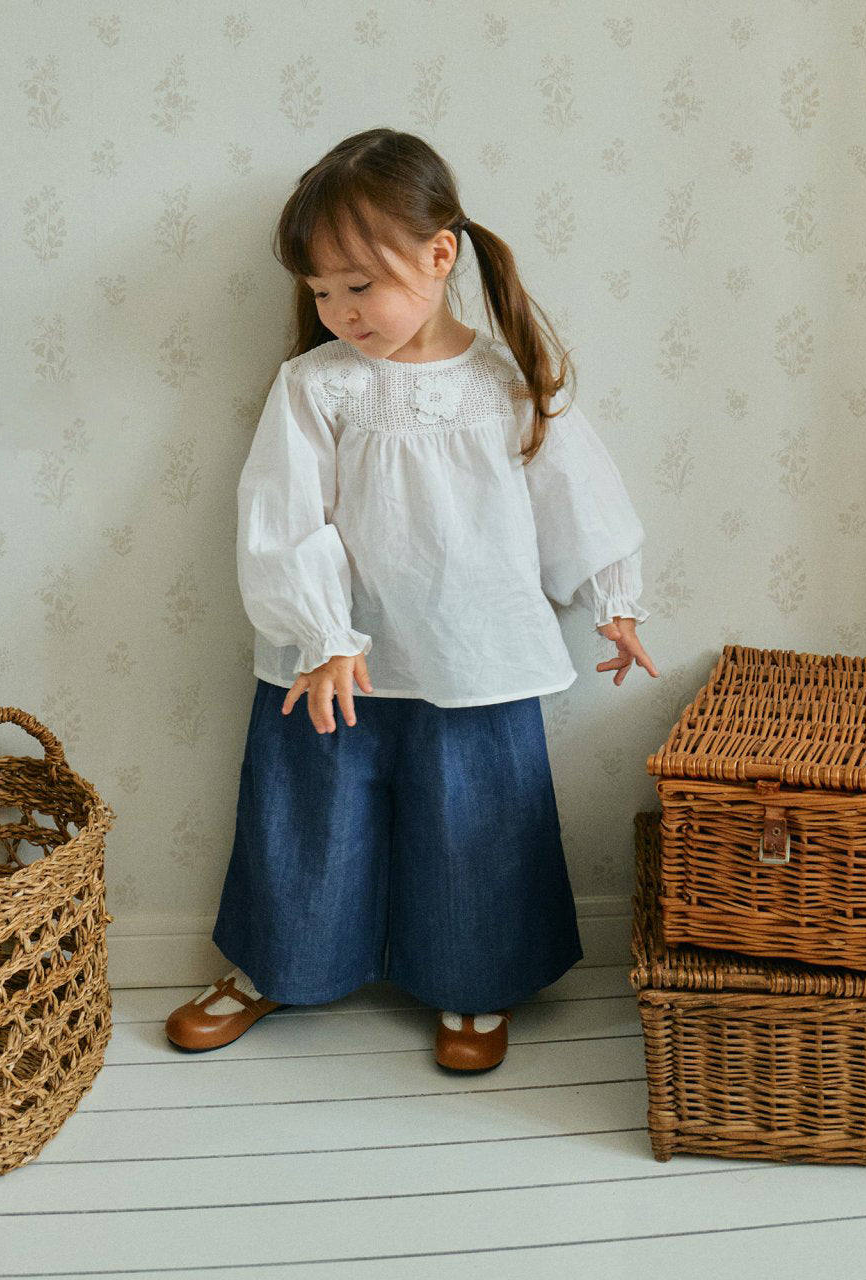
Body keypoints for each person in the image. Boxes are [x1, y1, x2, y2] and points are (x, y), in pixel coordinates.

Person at [165, 127, 659, 1072]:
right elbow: (281, 517)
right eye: (320, 291)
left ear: (439, 256)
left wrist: (613, 598)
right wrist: (322, 633)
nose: (339, 311)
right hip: (336, 660)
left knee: (476, 820)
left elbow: (576, 494)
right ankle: (277, 963)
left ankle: (476, 978)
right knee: (307, 817)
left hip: (475, 652)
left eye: (359, 285)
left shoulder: (507, 380)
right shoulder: (317, 385)